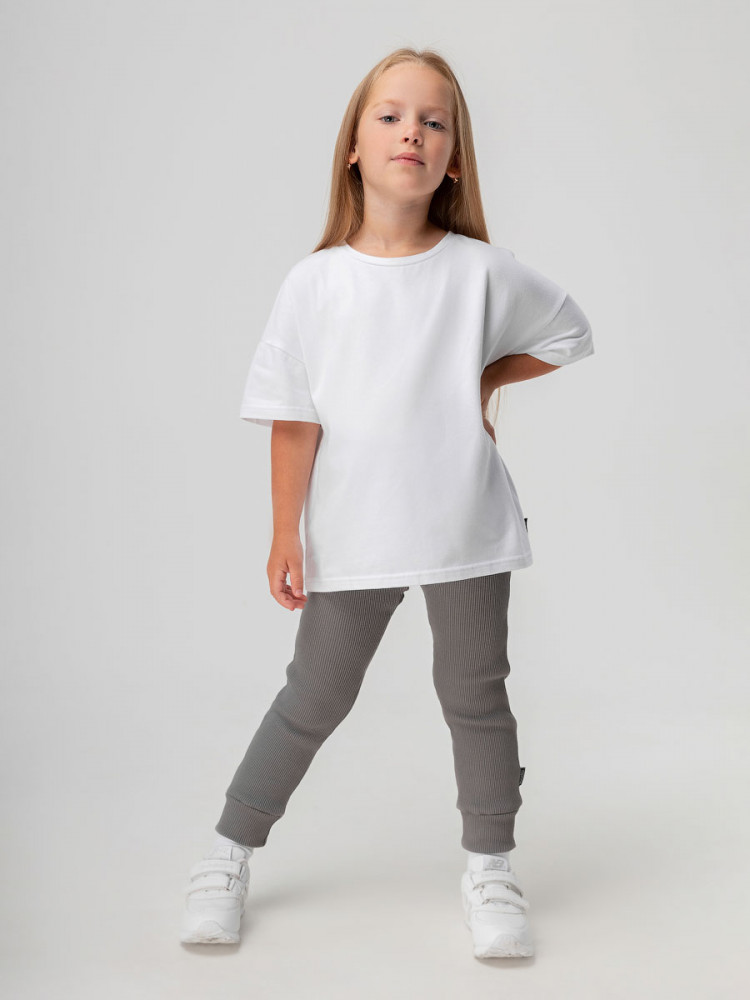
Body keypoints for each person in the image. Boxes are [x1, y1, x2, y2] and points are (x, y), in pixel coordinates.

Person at [180, 47, 594, 959]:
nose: (413, 132)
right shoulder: (315, 282)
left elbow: (570, 331)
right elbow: (294, 418)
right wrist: (284, 532)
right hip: (353, 530)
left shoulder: (480, 271)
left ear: (454, 160)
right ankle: (227, 852)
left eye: (434, 122)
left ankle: (491, 866)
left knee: (475, 696)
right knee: (313, 697)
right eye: (392, 116)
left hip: (465, 526)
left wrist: (481, 376)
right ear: (354, 148)